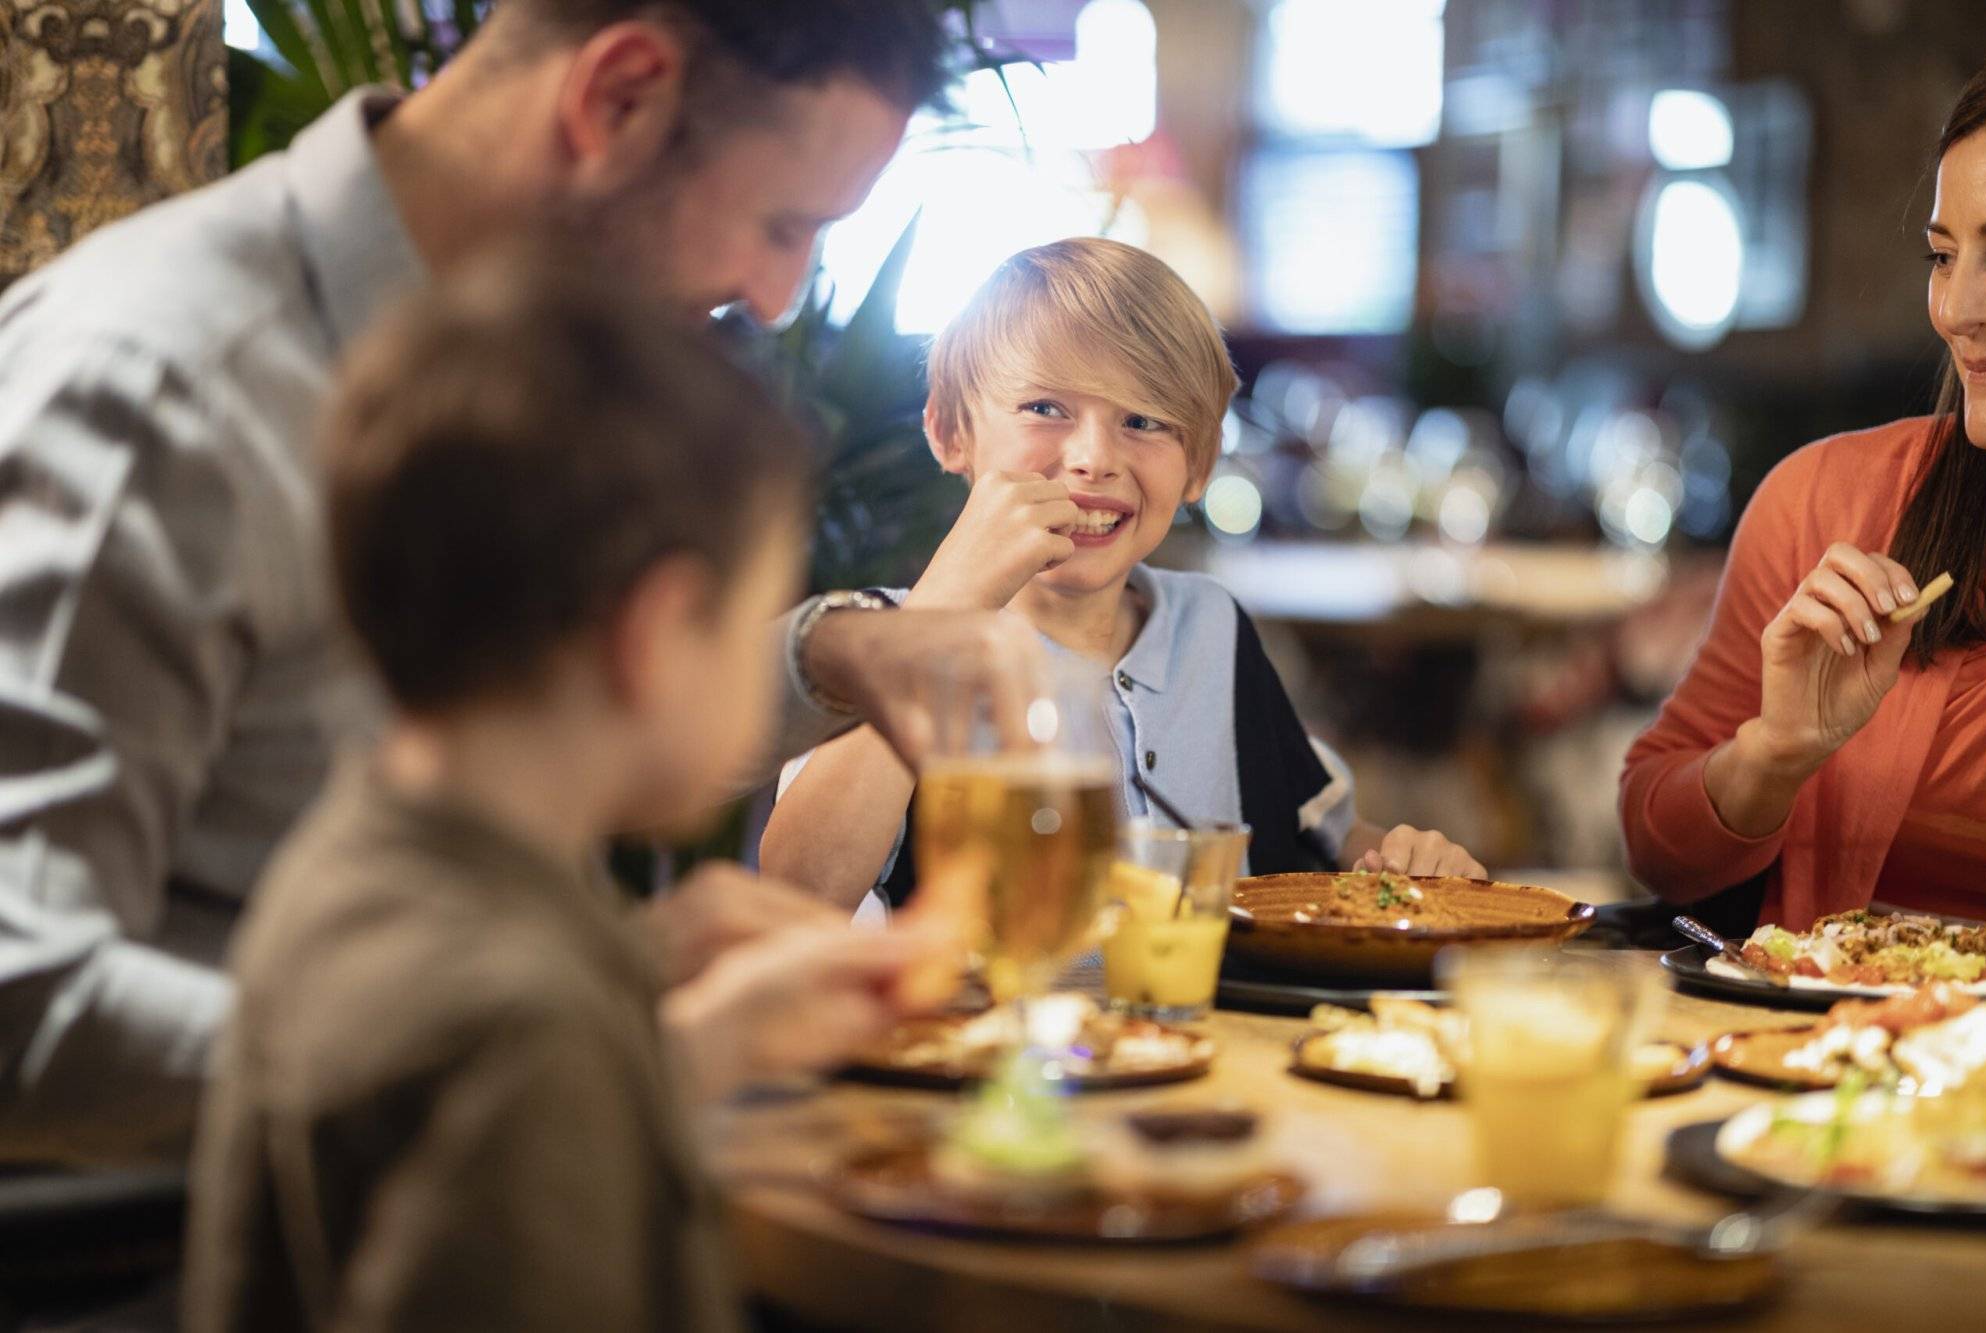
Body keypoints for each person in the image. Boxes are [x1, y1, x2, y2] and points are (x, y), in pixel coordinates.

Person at [0, 0, 1041, 1166]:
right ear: (617, 99)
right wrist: (578, 1044)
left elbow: (526, 720)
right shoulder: (163, 392)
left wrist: (833, 654)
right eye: (779, 223)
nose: (774, 296)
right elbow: (18, 1001)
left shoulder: (504, 358)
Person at [184, 252, 943, 1333]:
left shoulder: (363, 855)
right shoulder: (523, 1029)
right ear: (654, 634)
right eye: (751, 615)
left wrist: (670, 1029)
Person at [761, 238, 1484, 914]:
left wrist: (1400, 862)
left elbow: (1326, 835)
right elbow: (799, 889)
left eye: (1144, 421)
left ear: (1198, 466)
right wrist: (939, 612)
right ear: (952, 433)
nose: (1093, 459)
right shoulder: (873, 642)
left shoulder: (1212, 629)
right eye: (1045, 408)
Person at [1621, 54, 1986, 928]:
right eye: (1943, 256)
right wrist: (1777, 752)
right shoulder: (1822, 502)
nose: (1957, 308)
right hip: (1840, 1050)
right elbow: (1657, 850)